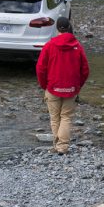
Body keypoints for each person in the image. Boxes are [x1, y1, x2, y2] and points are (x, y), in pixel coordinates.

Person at [36, 17, 90, 155]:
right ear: (69, 27)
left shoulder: (49, 45)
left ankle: (57, 145)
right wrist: (78, 86)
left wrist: (44, 86)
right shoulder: (77, 46)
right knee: (66, 117)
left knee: (55, 118)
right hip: (71, 89)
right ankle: (63, 146)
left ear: (57, 28)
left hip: (52, 87)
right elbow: (85, 70)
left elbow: (40, 68)